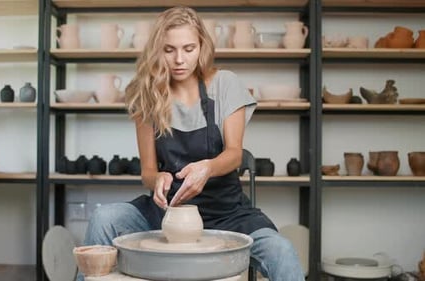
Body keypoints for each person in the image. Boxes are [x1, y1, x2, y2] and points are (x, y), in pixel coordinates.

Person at [78, 6, 305, 281]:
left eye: (188, 48)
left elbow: (234, 154)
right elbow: (147, 171)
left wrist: (207, 168)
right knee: (106, 217)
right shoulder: (146, 94)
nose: (179, 59)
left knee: (281, 250)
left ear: (201, 47)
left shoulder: (224, 84)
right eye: (169, 49)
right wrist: (157, 179)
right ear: (157, 50)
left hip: (228, 213)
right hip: (166, 213)